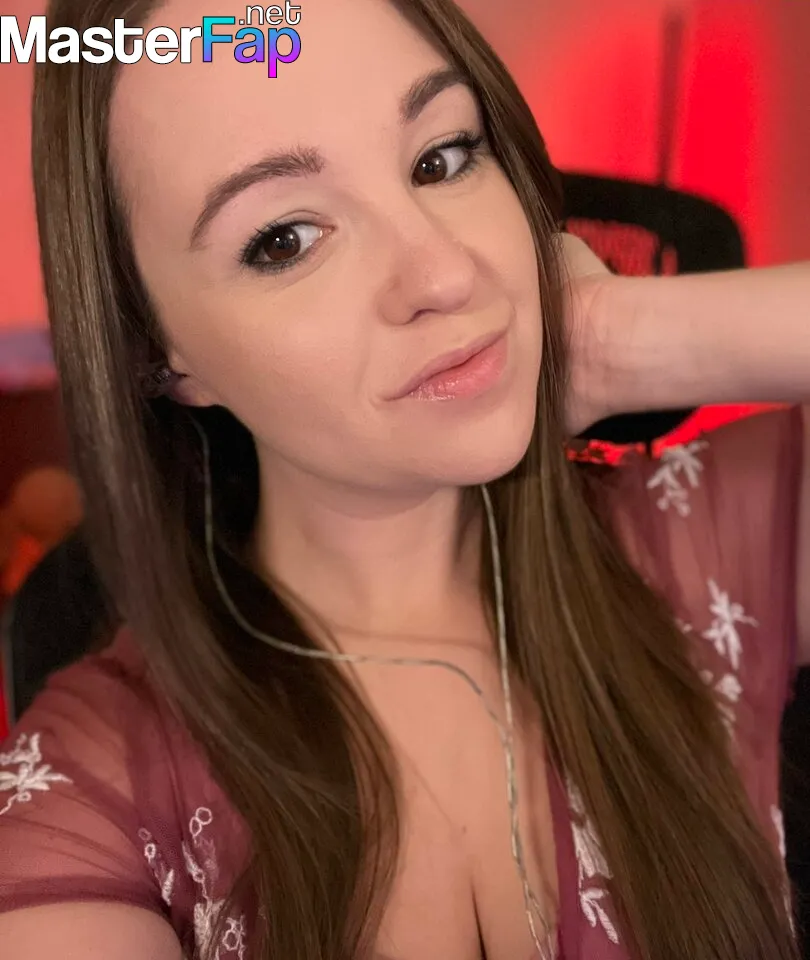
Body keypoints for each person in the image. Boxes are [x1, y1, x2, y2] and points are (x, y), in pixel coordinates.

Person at [0, 0, 807, 958]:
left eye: (442, 159)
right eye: (284, 239)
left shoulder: (699, 545)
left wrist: (618, 340)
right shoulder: (98, 782)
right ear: (156, 347)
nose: (443, 275)